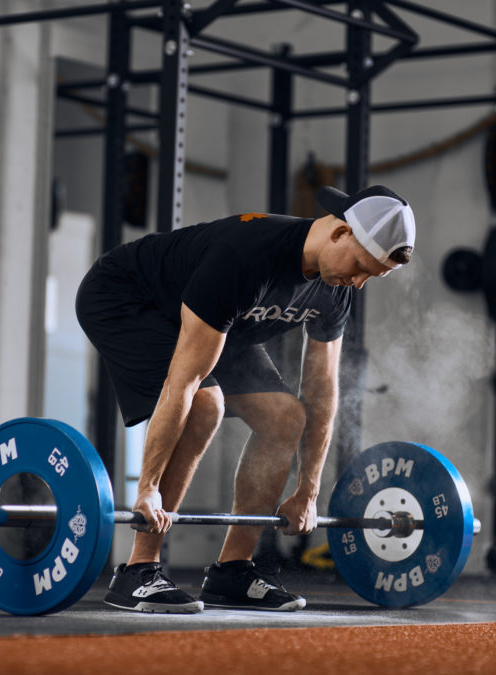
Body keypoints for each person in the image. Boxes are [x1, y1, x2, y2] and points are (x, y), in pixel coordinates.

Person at [74, 185, 415, 613]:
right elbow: (184, 381)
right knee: (205, 403)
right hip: (128, 298)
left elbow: (322, 389)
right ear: (340, 232)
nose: (359, 283)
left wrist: (308, 491)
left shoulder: (336, 288)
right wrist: (147, 489)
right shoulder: (247, 258)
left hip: (219, 321)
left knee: (285, 417)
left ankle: (232, 571)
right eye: (361, 266)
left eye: (372, 276)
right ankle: (138, 570)